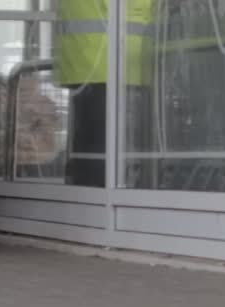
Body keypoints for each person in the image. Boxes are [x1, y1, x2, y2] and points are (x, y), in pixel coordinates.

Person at [55, 0, 154, 187]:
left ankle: (84, 188)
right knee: (112, 146)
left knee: (90, 145)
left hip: (86, 61)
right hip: (116, 61)